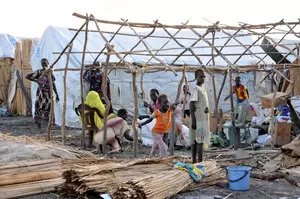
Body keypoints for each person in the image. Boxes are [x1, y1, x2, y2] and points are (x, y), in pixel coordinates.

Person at [26, 58, 59, 128]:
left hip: (49, 93)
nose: (44, 64)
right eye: (43, 63)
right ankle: (38, 123)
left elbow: (53, 84)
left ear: (48, 63)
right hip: (41, 93)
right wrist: (36, 80)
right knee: (39, 107)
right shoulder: (39, 72)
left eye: (45, 63)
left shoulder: (50, 72)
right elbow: (27, 76)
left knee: (49, 107)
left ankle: (50, 124)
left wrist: (57, 94)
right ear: (41, 64)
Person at [190, 69, 210, 163]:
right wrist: (193, 120)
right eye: (200, 76)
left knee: (199, 139)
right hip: (198, 118)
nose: (203, 78)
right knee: (197, 140)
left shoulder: (203, 88)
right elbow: (191, 104)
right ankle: (197, 161)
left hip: (203, 117)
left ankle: (197, 161)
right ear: (196, 77)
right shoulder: (195, 88)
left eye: (204, 76)